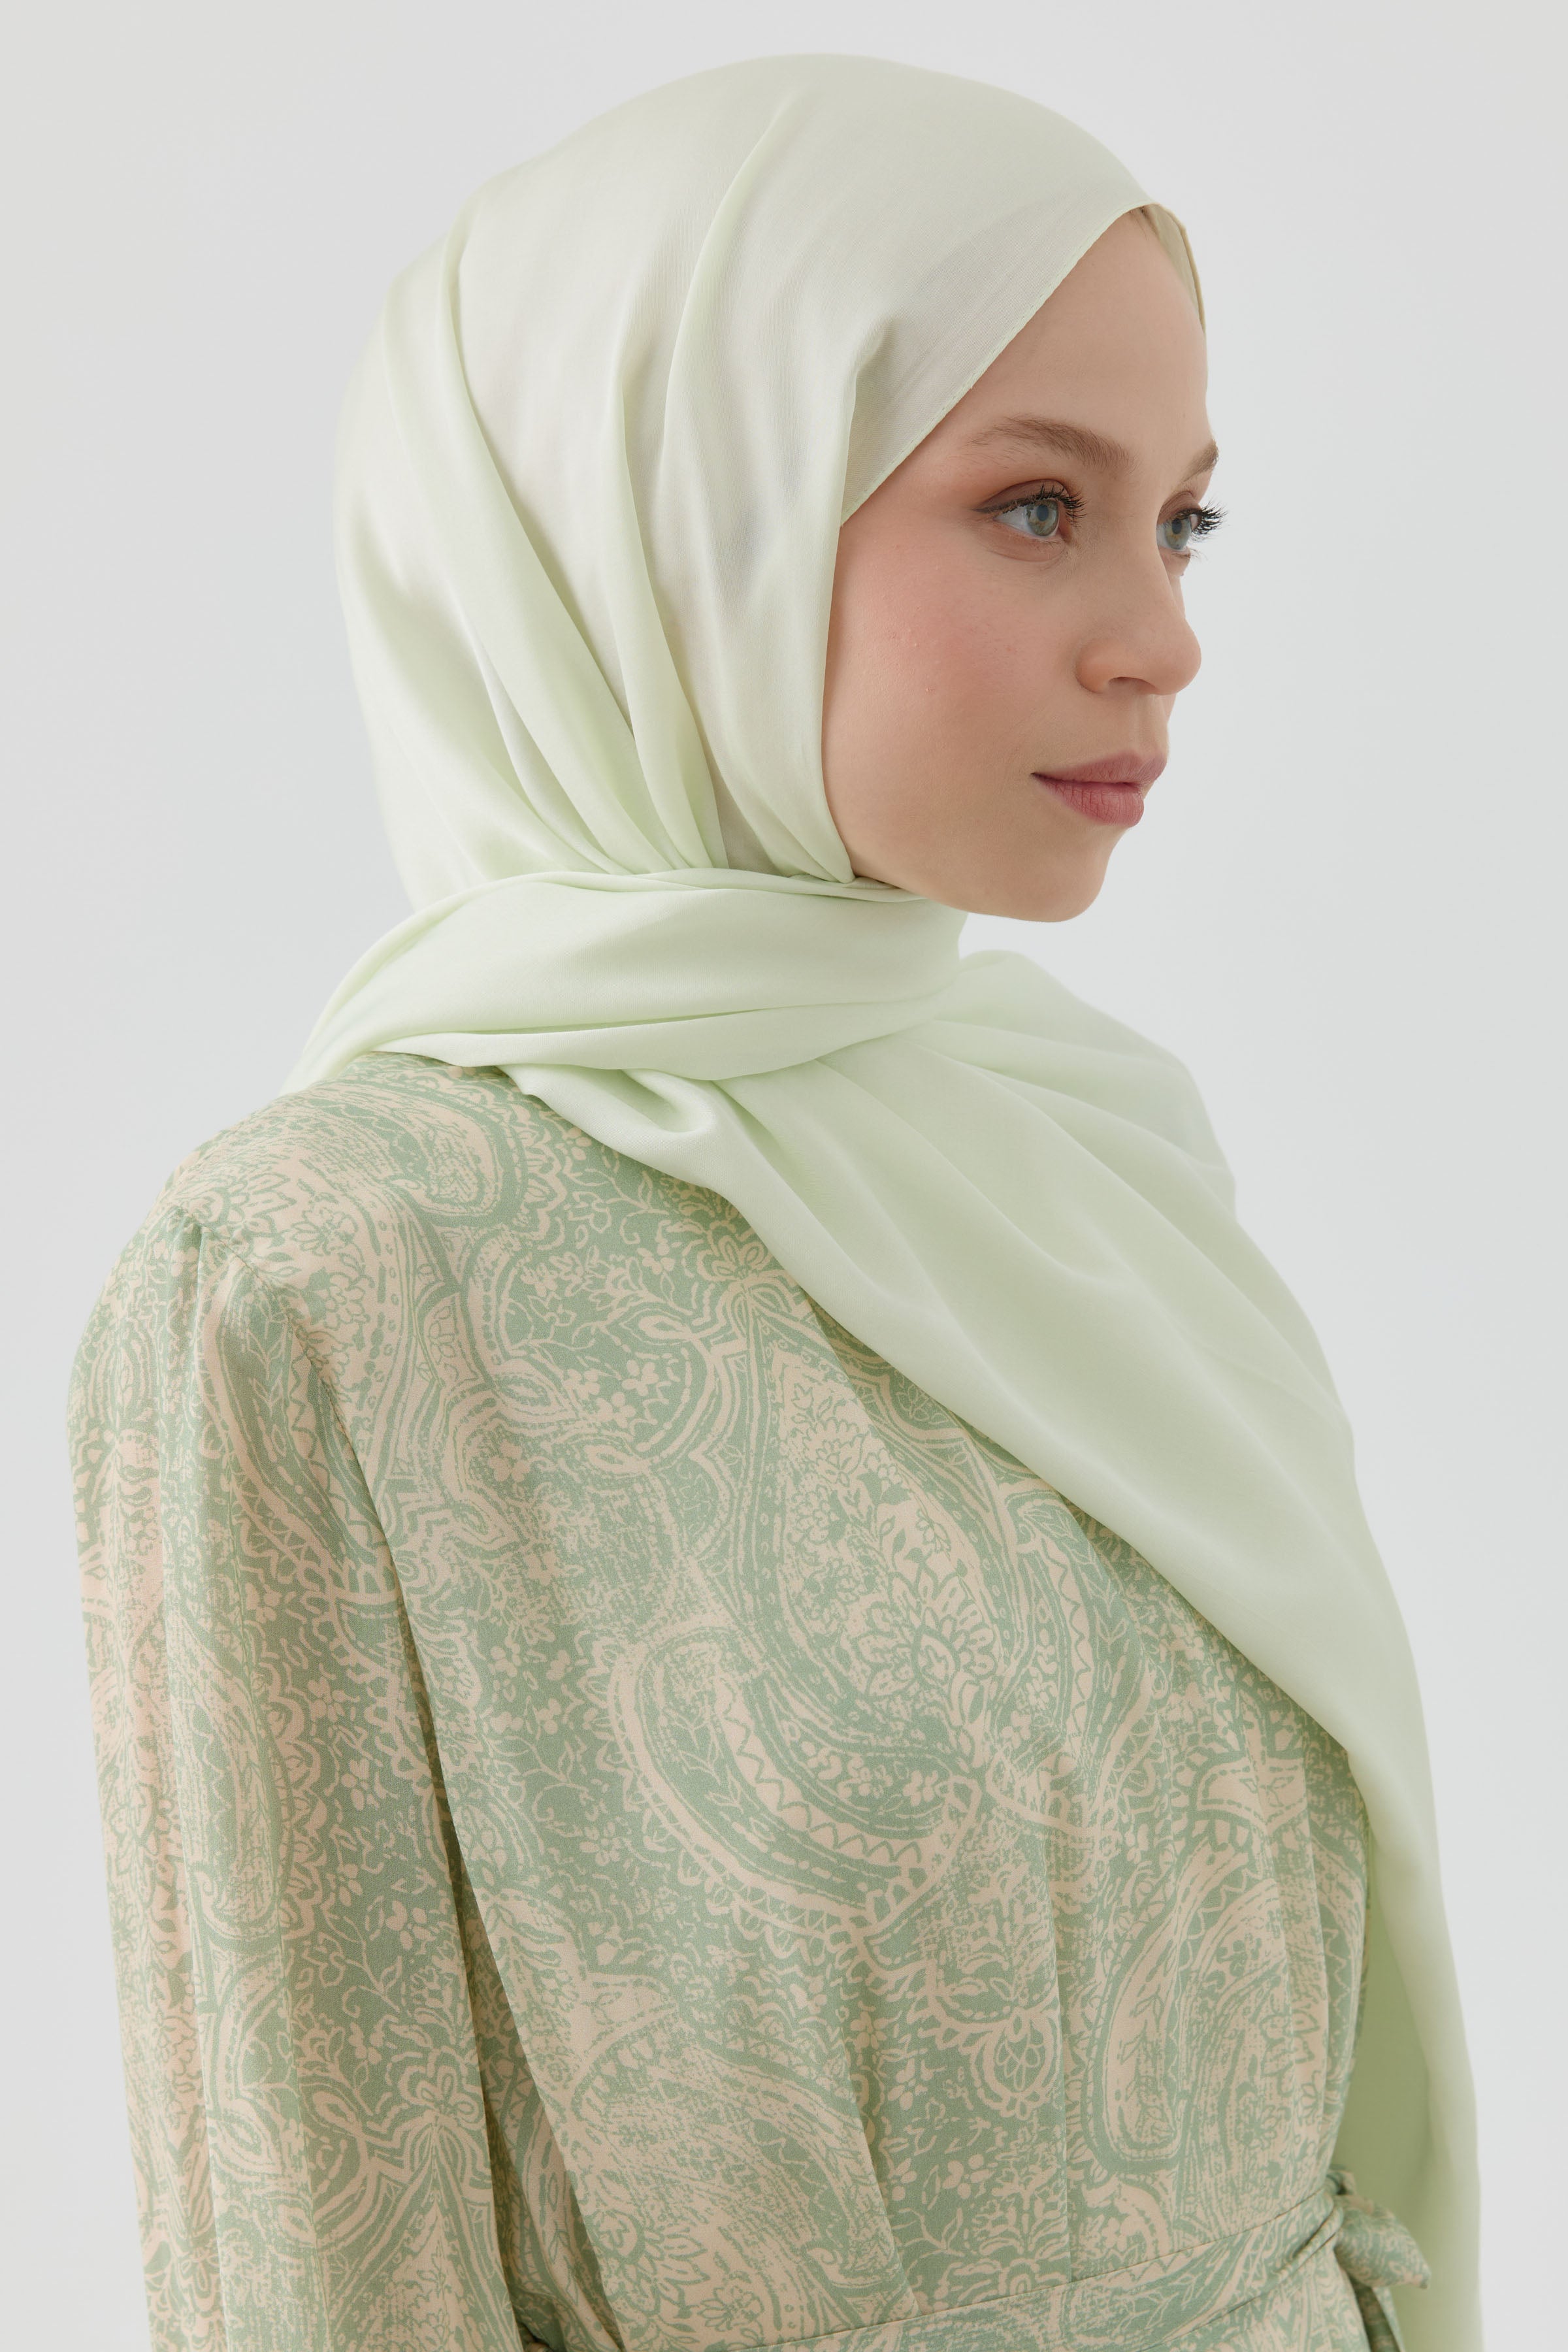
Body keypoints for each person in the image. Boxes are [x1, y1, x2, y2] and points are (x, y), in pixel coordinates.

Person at [67, 54, 1478, 2352]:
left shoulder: (1083, 1156)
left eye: (1184, 522)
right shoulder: (327, 1277)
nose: (1163, 631)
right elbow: (312, 2270)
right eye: (1040, 506)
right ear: (674, 524)